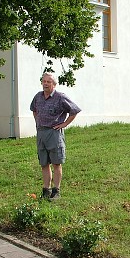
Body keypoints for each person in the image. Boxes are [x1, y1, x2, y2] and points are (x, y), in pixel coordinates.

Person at [30, 72, 81, 200]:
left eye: (48, 82)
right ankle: (46, 190)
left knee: (56, 163)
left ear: (54, 84)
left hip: (54, 133)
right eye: (44, 81)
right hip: (41, 133)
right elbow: (34, 110)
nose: (45, 84)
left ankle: (56, 191)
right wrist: (38, 122)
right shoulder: (38, 96)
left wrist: (64, 124)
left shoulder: (60, 97)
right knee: (44, 163)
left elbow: (74, 110)